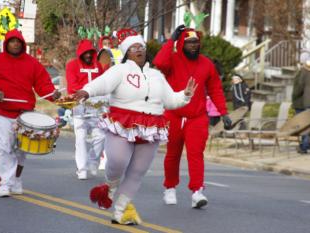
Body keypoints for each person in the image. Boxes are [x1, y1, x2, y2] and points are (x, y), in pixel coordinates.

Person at [73, 28, 197, 225]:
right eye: (133, 48)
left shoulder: (156, 75)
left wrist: (185, 95)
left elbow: (171, 100)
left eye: (141, 46)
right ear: (126, 52)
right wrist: (86, 91)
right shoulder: (120, 70)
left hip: (151, 126)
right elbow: (102, 83)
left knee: (138, 171)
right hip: (123, 122)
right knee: (118, 161)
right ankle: (111, 185)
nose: (138, 50)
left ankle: (120, 211)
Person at [153, 25, 232, 208]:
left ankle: (197, 192)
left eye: (196, 42)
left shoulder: (206, 64)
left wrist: (224, 112)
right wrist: (170, 40)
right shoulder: (172, 60)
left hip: (197, 118)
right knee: (173, 154)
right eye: (189, 43)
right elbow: (159, 62)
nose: (193, 46)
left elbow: (215, 89)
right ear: (182, 44)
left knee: (196, 155)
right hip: (173, 115)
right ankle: (170, 188)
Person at [0, 29, 60, 197]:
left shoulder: (32, 63)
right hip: (1, 109)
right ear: (7, 43)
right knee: (5, 144)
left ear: (22, 44)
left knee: (22, 149)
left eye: (18, 41)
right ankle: (3, 183)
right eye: (12, 41)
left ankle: (15, 179)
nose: (15, 44)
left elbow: (43, 84)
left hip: (24, 112)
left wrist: (52, 94)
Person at [66, 39, 106, 180]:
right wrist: (84, 93)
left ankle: (93, 161)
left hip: (96, 107)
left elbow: (102, 84)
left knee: (101, 136)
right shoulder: (72, 65)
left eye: (91, 52)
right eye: (86, 53)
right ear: (80, 53)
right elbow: (72, 86)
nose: (88, 55)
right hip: (79, 107)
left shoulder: (98, 66)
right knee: (81, 138)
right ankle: (81, 169)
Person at [292, 59, 310, 154]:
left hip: (304, 103)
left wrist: (294, 98)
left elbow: (298, 89)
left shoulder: (304, 72)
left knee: (305, 126)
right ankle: (304, 145)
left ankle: (304, 146)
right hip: (304, 103)